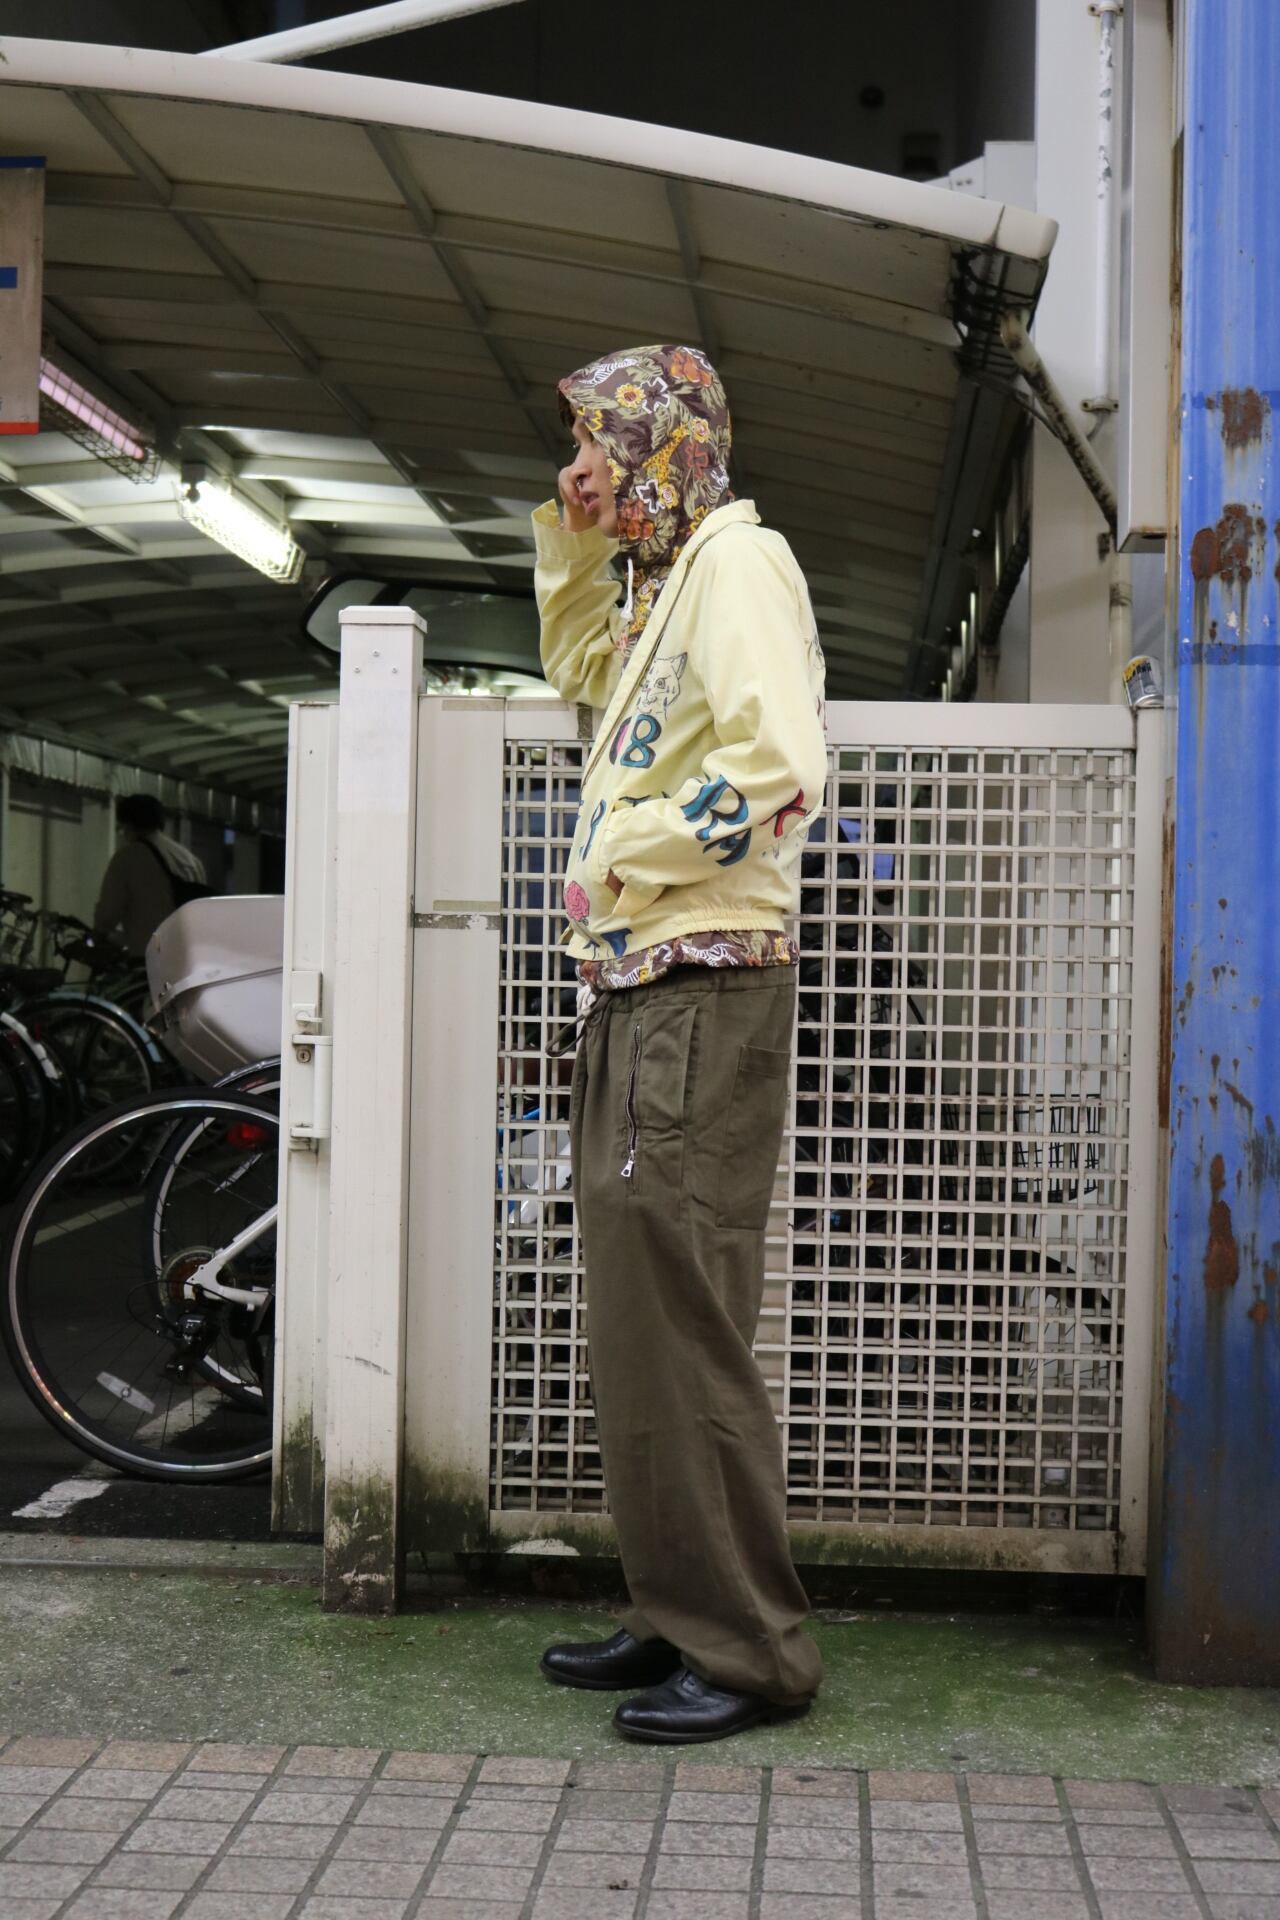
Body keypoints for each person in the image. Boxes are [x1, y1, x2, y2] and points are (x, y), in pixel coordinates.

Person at [533, 344, 828, 1745]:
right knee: (639, 1319)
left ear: (666, 443)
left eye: (600, 444)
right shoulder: (663, 583)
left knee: (686, 1320)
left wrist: (627, 857)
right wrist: (573, 539)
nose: (581, 468)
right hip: (647, 984)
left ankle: (753, 1651)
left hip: (701, 983)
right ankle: (675, 1609)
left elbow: (781, 766)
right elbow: (579, 669)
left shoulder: (738, 565)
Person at [93, 793, 208, 958]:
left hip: (151, 959)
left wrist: (100, 931)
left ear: (128, 824)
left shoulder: (128, 857)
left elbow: (107, 915)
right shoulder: (191, 860)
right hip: (188, 957)